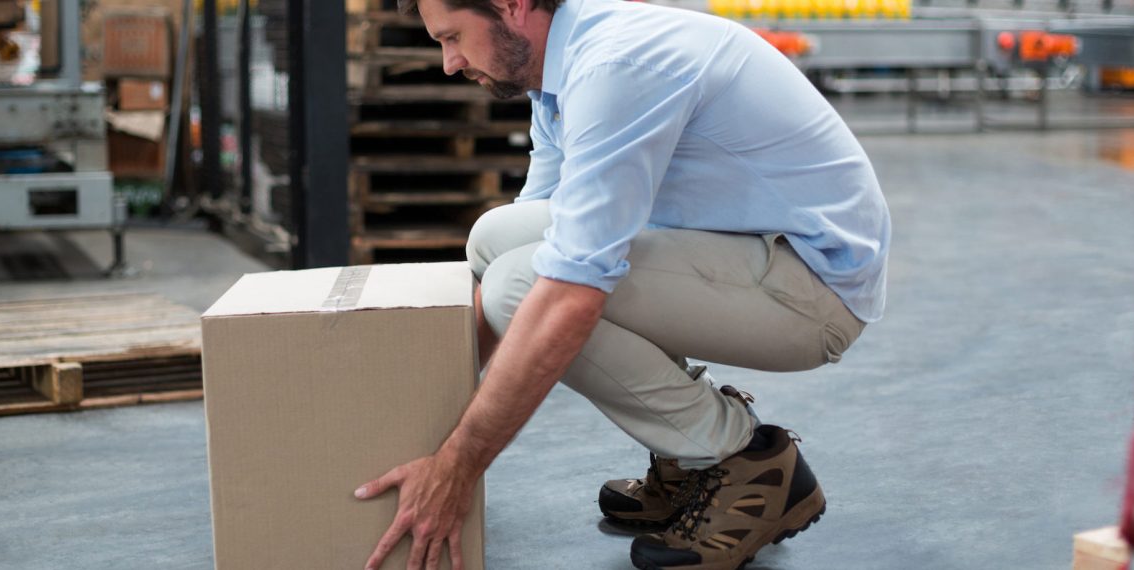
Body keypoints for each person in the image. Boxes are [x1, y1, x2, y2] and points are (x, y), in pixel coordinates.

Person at [352, 0, 890, 567]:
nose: (449, 63)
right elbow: (539, 228)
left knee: (524, 287)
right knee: (496, 240)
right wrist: (431, 429)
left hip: (812, 291)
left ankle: (743, 458)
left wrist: (457, 466)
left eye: (453, 37)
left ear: (511, 7)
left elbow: (568, 290)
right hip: (747, 250)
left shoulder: (614, 69)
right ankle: (688, 454)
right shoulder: (559, 73)